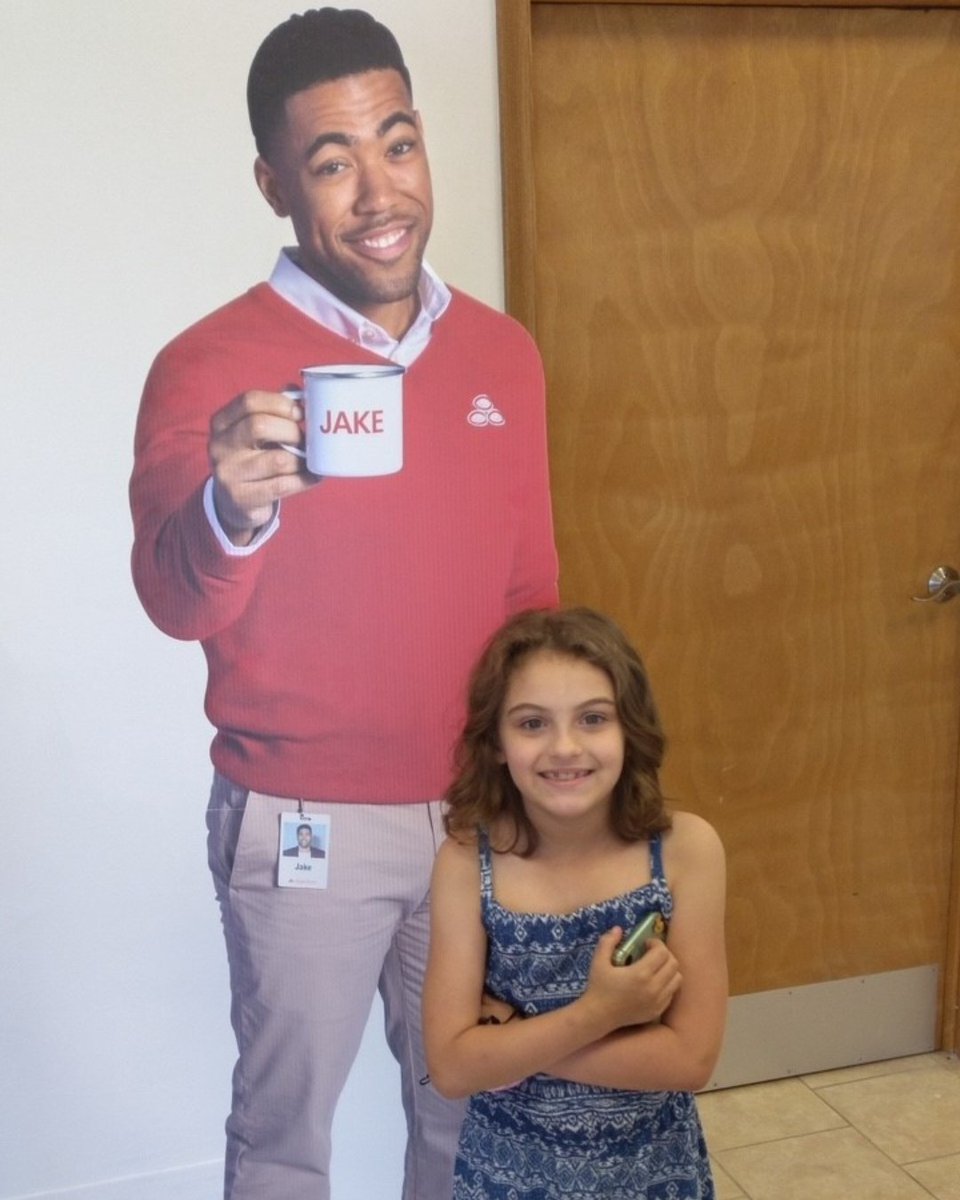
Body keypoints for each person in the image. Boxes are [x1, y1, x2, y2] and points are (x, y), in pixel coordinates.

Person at [128, 8, 558, 1199]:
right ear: (275, 184)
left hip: (475, 817)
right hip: (300, 825)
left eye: (399, 144)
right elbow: (171, 597)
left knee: (471, 1122)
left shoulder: (503, 355)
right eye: (332, 161)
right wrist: (233, 507)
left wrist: (543, 794)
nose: (379, 192)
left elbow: (533, 599)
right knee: (283, 1139)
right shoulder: (207, 368)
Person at [423, 608, 726, 1199]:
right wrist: (600, 1013)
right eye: (532, 723)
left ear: (629, 730)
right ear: (495, 744)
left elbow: (691, 1061)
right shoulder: (466, 864)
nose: (565, 748)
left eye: (593, 718)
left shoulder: (686, 850)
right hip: (508, 1179)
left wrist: (511, 1045)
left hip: (653, 1176)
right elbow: (454, 1069)